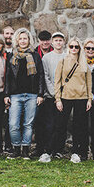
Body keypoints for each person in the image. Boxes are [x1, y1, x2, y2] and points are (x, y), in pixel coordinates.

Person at [47, 37, 92, 164]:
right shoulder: (62, 61)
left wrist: (89, 99)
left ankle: (76, 152)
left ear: (80, 49)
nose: (73, 49)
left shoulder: (84, 63)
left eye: (76, 47)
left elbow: (89, 82)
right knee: (60, 125)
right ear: (68, 48)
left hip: (81, 97)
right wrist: (58, 99)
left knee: (79, 127)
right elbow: (57, 81)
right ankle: (53, 150)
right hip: (65, 97)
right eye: (71, 46)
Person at [3, 28, 45, 159]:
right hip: (15, 95)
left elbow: (41, 76)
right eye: (20, 38)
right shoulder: (12, 56)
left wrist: (40, 94)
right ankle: (16, 149)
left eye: (25, 38)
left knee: (28, 124)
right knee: (13, 124)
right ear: (17, 40)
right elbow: (8, 77)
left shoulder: (35, 56)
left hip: (32, 95)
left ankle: (25, 150)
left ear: (29, 40)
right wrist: (6, 94)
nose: (22, 41)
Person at [37, 32, 65, 160]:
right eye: (56, 40)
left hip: (64, 96)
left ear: (63, 42)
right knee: (49, 124)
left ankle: (59, 149)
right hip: (50, 96)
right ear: (52, 43)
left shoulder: (67, 57)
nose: (58, 43)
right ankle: (48, 149)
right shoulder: (46, 58)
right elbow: (46, 76)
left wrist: (61, 94)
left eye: (60, 40)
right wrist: (54, 93)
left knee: (61, 124)